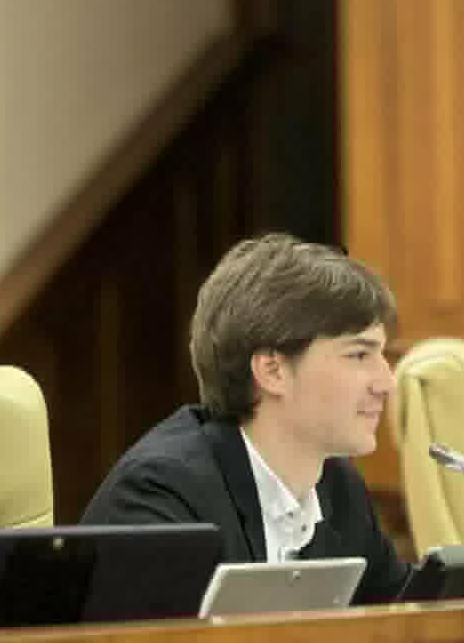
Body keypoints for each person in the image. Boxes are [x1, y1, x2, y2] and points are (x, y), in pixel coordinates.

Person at [82, 232, 409, 604]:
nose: (387, 382)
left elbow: (401, 619)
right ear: (272, 370)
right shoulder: (160, 495)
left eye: (382, 355)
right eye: (359, 355)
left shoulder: (337, 484)